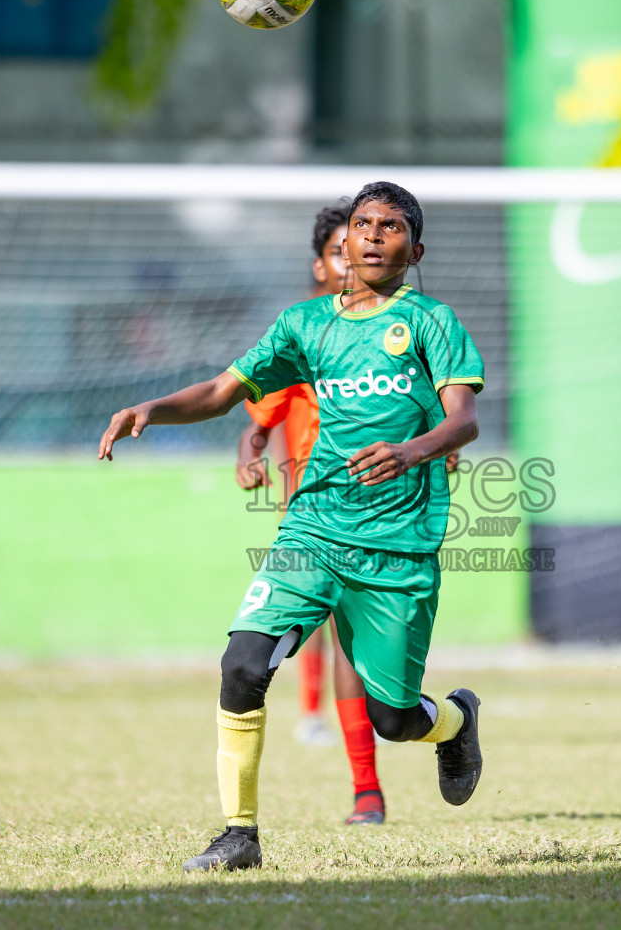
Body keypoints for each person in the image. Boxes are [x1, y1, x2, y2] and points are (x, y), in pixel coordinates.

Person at [100, 181, 486, 873]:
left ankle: (455, 720)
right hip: (312, 532)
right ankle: (238, 834)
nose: (370, 236)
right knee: (243, 664)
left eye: (389, 227)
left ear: (414, 247)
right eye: (362, 224)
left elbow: (464, 419)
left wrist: (412, 449)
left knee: (393, 719)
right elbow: (224, 392)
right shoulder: (304, 326)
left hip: (398, 546)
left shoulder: (431, 321)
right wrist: (153, 408)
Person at [234, 200, 388, 825]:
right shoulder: (303, 340)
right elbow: (258, 415)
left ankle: (368, 783)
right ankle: (345, 767)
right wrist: (252, 455)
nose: (349, 263)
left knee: (359, 653)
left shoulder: (397, 334)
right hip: (309, 519)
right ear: (320, 265)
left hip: (382, 517)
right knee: (296, 635)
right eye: (337, 252)